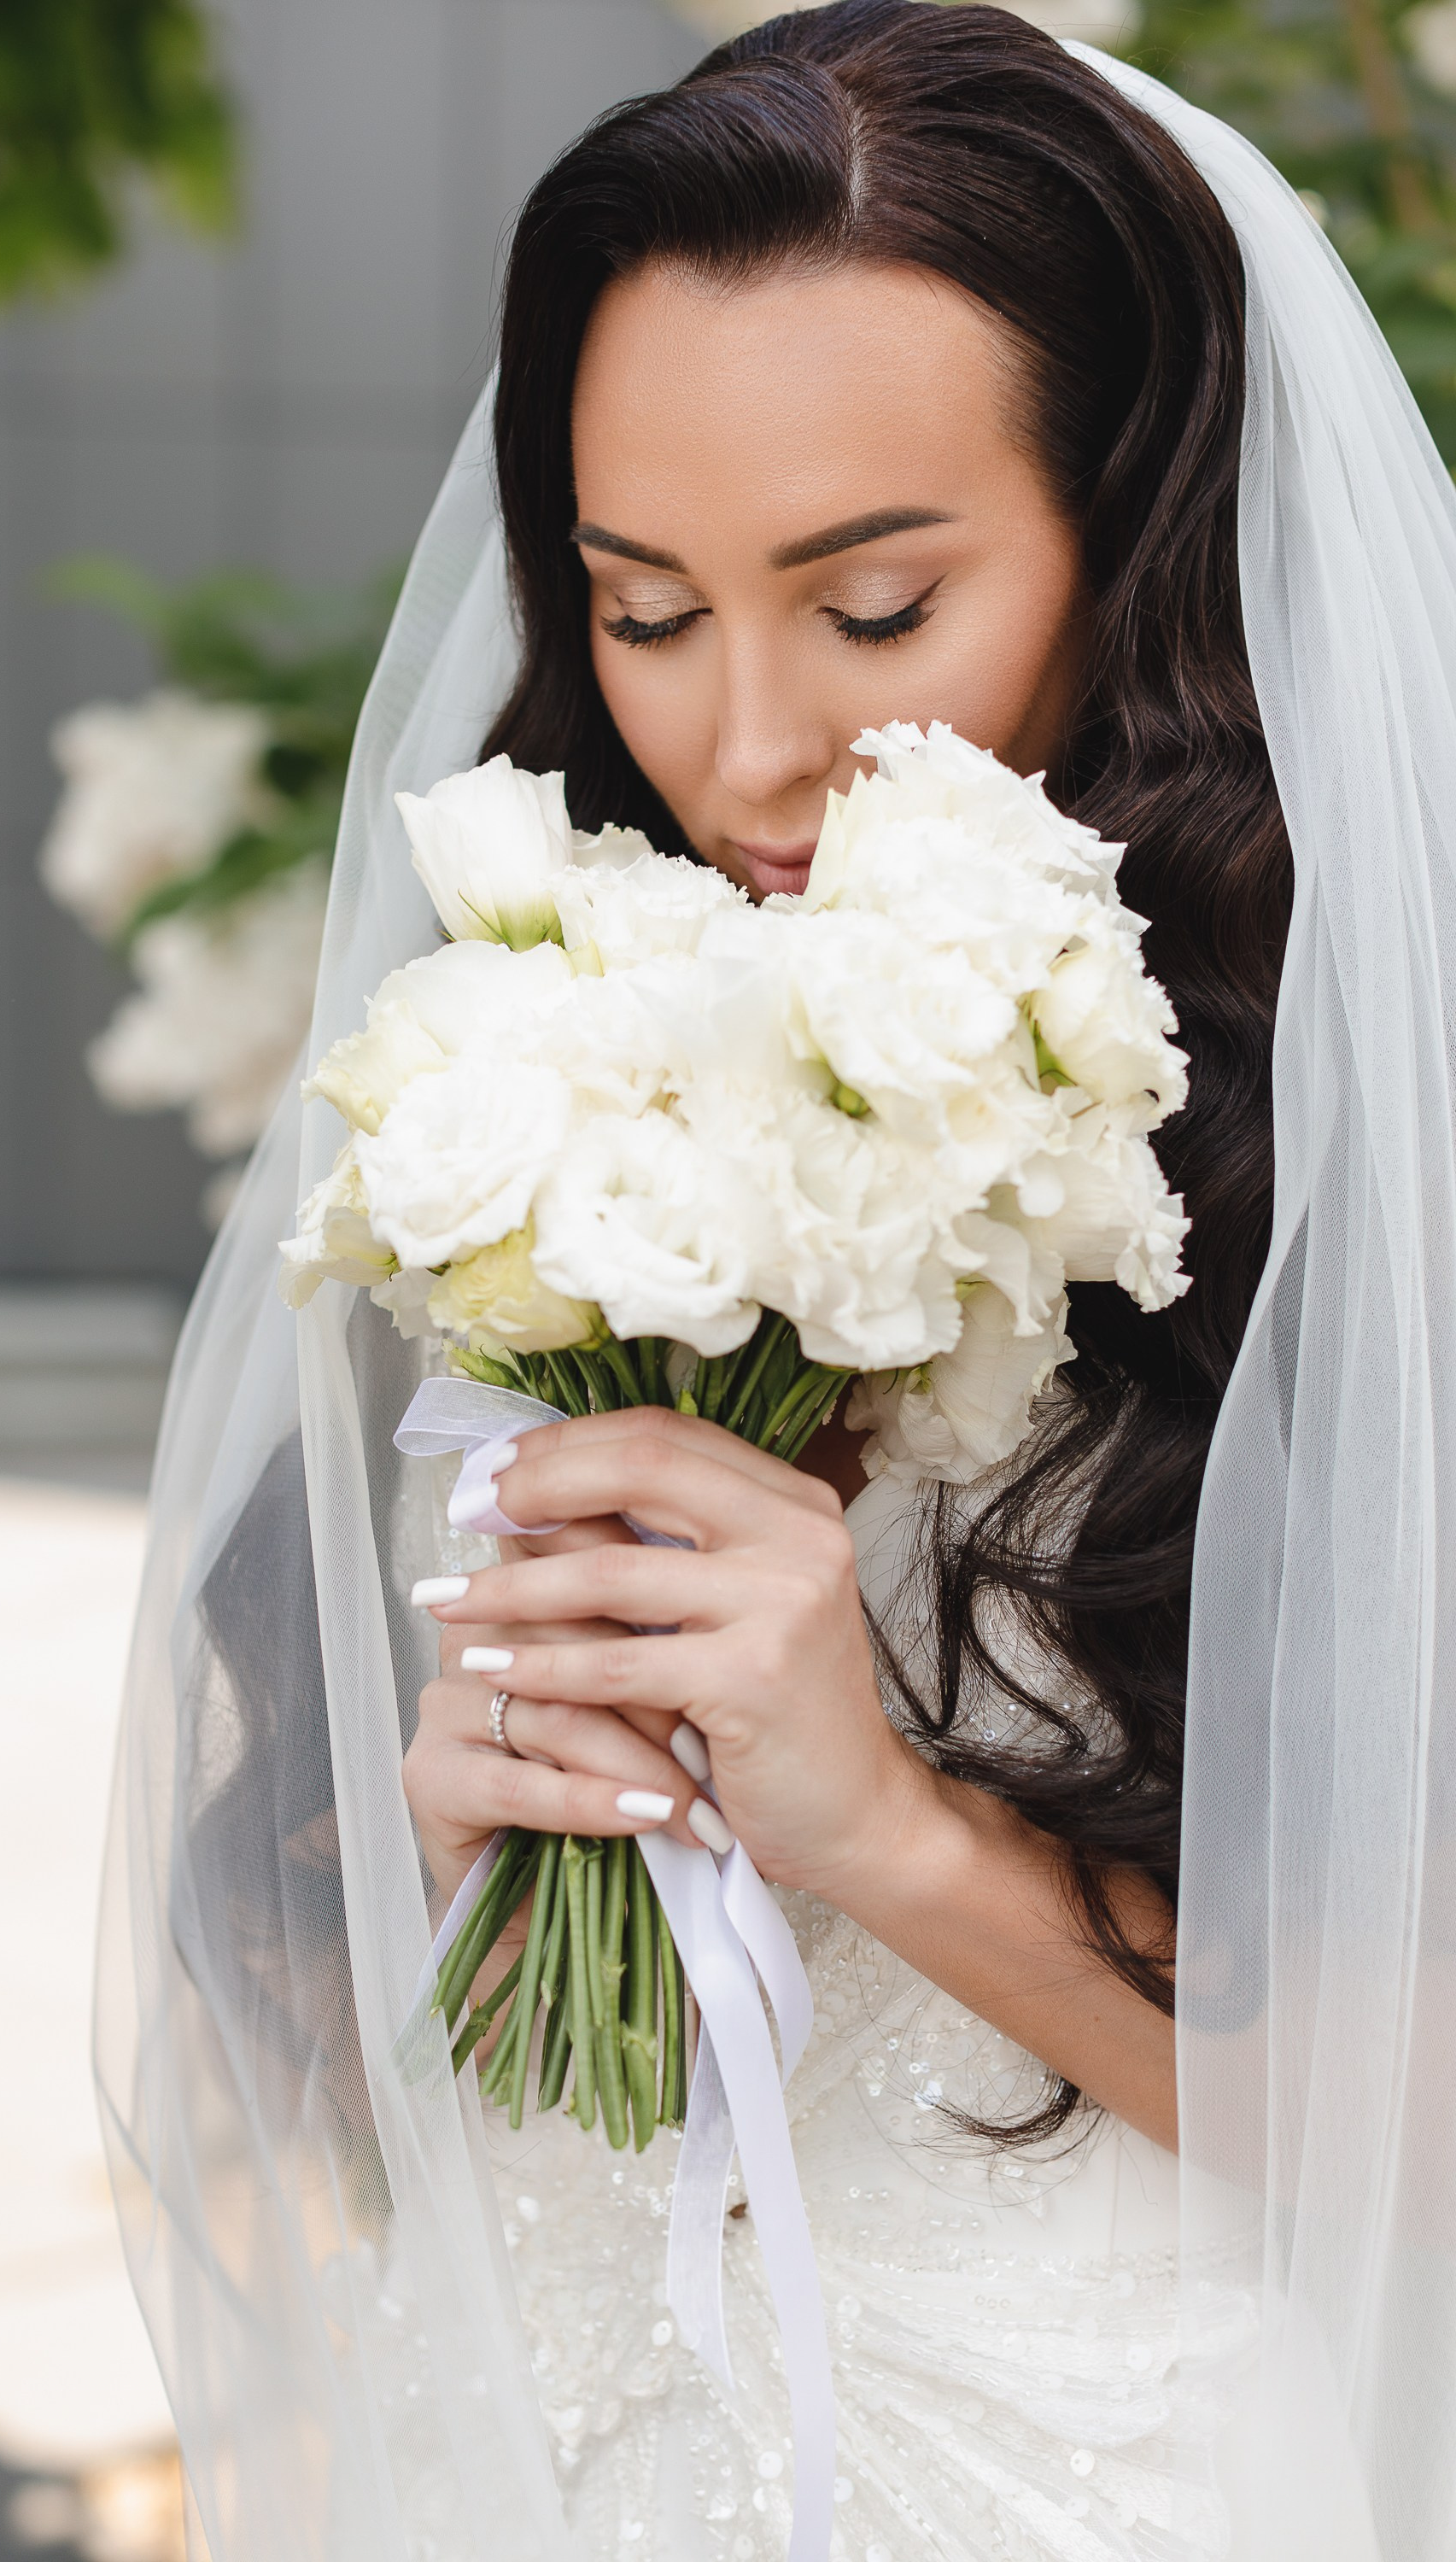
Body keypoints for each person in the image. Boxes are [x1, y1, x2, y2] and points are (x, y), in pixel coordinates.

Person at [96, 9, 1456, 2559]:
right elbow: (282, 2064)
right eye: (642, 607)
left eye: (877, 606)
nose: (741, 754)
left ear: (1144, 540)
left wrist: (899, 1840)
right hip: (531, 2441)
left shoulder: (1383, 1185)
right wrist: (449, 1856)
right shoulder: (544, 1104)